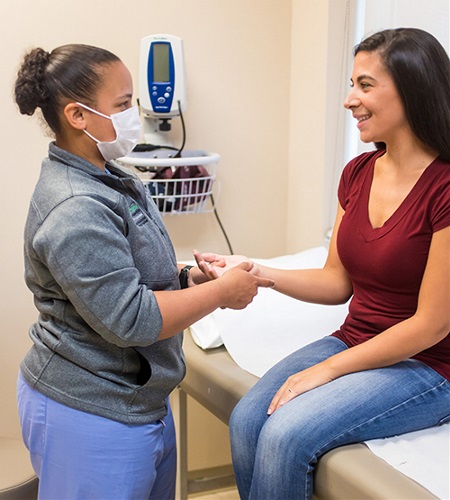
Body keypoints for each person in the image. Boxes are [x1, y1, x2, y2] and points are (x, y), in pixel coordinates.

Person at [195, 28, 450, 499]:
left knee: (286, 437)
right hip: (357, 338)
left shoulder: (445, 188)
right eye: (351, 85)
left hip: (430, 366)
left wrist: (327, 371)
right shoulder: (357, 173)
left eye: (366, 85)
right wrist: (255, 270)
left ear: (414, 87)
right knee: (250, 417)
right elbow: (337, 282)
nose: (350, 100)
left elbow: (432, 325)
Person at [14, 44, 274, 499]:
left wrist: (187, 279)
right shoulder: (75, 206)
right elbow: (132, 319)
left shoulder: (109, 176)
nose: (132, 115)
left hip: (137, 399)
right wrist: (221, 294)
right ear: (78, 116)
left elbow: (127, 272)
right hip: (93, 410)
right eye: (121, 105)